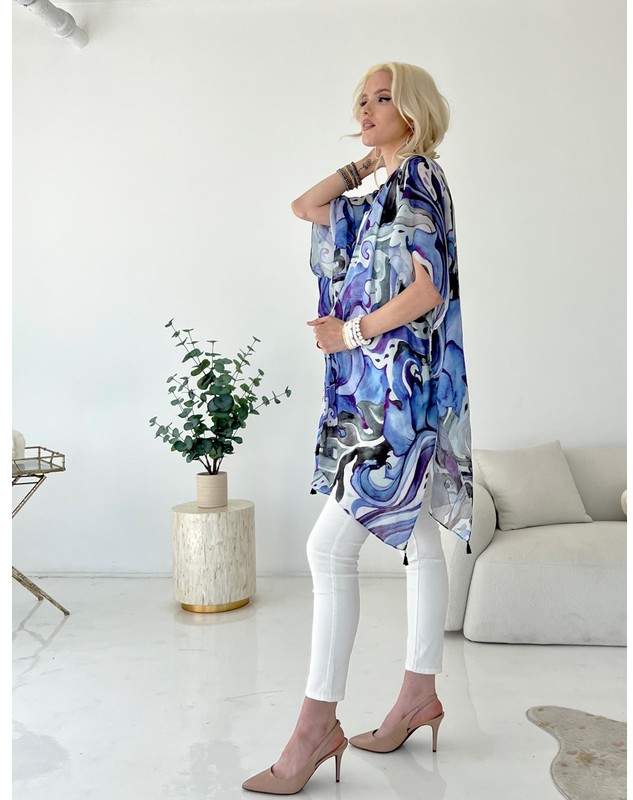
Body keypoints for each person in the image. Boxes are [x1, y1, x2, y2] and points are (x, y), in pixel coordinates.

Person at [242, 61, 473, 795]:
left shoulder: (419, 180)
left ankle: (316, 727)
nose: (366, 110)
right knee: (422, 538)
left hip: (401, 396)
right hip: (394, 394)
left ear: (414, 109)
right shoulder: (381, 193)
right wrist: (366, 162)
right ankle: (418, 696)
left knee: (327, 548)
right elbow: (306, 205)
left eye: (383, 99)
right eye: (362, 102)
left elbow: (429, 287)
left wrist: (351, 331)